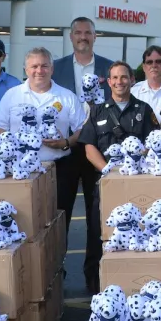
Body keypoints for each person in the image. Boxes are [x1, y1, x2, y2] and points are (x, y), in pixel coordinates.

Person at [78, 61, 158, 293]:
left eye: (124, 77)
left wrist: (134, 163)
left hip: (136, 182)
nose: (119, 82)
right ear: (108, 82)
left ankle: (135, 280)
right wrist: (107, 171)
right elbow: (89, 148)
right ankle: (94, 282)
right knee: (98, 231)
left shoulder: (144, 110)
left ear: (132, 80)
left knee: (137, 230)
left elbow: (153, 144)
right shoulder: (97, 111)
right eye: (114, 78)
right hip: (105, 182)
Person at [0, 46, 86, 228]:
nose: (39, 71)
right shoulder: (13, 95)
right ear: (26, 69)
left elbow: (82, 130)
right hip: (19, 169)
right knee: (23, 221)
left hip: (58, 170)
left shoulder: (67, 96)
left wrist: (65, 142)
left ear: (52, 69)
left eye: (44, 66)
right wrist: (15, 143)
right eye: (34, 66)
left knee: (58, 223)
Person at [50, 16, 112, 262]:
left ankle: (94, 273)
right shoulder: (56, 68)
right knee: (61, 212)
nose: (83, 37)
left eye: (88, 33)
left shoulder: (109, 68)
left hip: (98, 148)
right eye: (78, 33)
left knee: (97, 214)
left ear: (95, 37)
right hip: (65, 149)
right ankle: (57, 269)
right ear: (71, 37)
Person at [130, 44, 161, 123]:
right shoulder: (134, 92)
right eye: (149, 62)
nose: (154, 65)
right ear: (144, 67)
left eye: (158, 61)